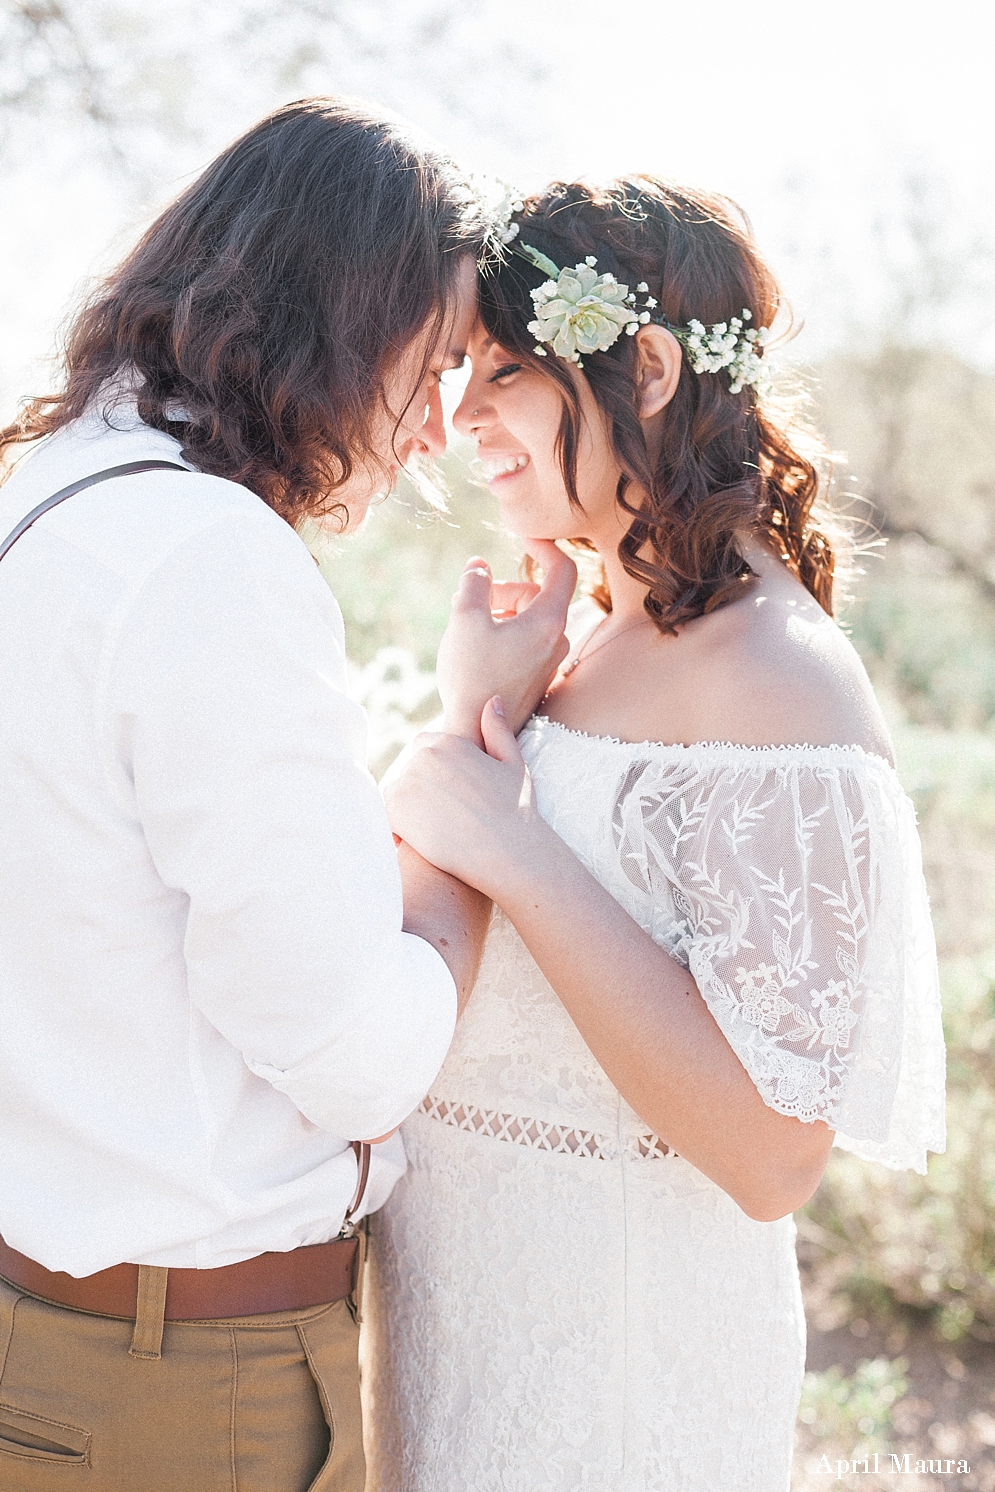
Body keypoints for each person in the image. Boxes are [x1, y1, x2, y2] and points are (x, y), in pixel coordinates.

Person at [0, 99, 571, 1492]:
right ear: (333, 319)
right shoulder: (207, 559)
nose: (438, 429)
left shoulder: (48, 499)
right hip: (184, 1388)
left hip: (59, 1333)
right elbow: (352, 1053)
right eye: (432, 362)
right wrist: (467, 785)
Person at [365, 176, 947, 1492]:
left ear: (647, 365)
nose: (464, 425)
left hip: (615, 1372)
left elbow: (771, 1153)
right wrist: (483, 712)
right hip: (466, 1332)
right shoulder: (591, 641)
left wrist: (513, 847)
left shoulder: (776, 676)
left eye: (504, 372)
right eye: (462, 374)